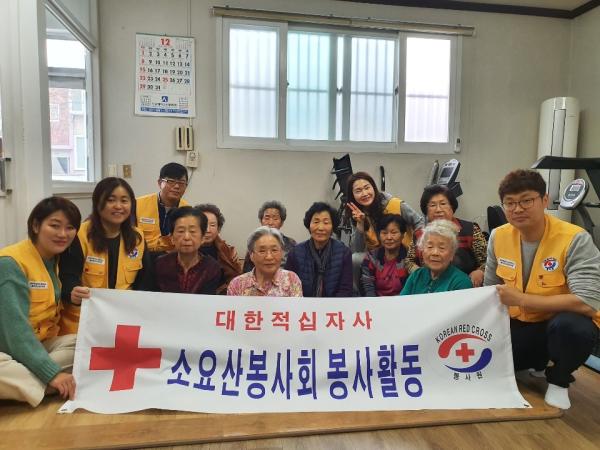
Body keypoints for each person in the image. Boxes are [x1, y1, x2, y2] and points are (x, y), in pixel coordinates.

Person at [484, 169, 600, 410]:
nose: (517, 209)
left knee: (573, 328)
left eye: (526, 200)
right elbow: (489, 290)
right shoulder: (498, 236)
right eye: (510, 203)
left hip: (557, 324)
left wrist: (522, 299)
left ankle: (559, 379)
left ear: (544, 200)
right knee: (489, 359)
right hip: (520, 324)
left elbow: (587, 302)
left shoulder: (575, 238)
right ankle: (536, 362)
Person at [0, 197, 81, 406]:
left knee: (82, 344)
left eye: (70, 228)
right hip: (6, 349)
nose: (63, 234)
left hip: (37, 345)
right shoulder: (10, 263)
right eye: (55, 226)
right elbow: (15, 332)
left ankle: (28, 385)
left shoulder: (53, 260)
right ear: (36, 226)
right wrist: (52, 373)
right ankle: (51, 383)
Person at [59, 177, 153, 334]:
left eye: (124, 201)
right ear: (97, 203)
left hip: (124, 318)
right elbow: (67, 276)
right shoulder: (79, 235)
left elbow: (145, 281)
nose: (118, 206)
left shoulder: (138, 237)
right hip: (83, 322)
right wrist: (72, 293)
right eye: (111, 200)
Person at [405, 184, 487, 287]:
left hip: (465, 286)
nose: (438, 209)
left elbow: (488, 260)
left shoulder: (470, 230)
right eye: (432, 205)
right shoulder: (420, 234)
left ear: (452, 206)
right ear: (426, 210)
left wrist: (480, 271)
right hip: (430, 287)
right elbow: (409, 261)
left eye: (443, 204)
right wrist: (419, 274)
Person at [285, 202, 353, 297]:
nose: (320, 228)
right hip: (303, 304)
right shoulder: (295, 253)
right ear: (309, 225)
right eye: (316, 222)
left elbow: (345, 290)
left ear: (333, 226)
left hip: (335, 305)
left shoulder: (344, 253)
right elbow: (289, 287)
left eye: (326, 222)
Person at [346, 171, 424, 253]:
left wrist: (418, 245)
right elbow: (357, 250)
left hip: (405, 253)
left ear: (373, 187)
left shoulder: (394, 203)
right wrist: (360, 224)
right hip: (378, 257)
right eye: (358, 191)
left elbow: (419, 222)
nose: (364, 193)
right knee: (356, 258)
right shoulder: (356, 214)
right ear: (352, 195)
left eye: (367, 188)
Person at [155, 206, 222, 295]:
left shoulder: (212, 268)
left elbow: (206, 300)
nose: (186, 237)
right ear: (172, 238)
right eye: (181, 231)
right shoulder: (160, 264)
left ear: (202, 238)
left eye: (192, 231)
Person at [400, 220, 473, 295]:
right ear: (422, 251)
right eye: (430, 246)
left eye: (442, 248)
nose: (435, 253)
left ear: (452, 254)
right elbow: (402, 301)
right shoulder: (416, 275)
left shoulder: (461, 282)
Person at [228, 227, 302, 297]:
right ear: (251, 255)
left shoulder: (291, 279)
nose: (269, 257)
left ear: (282, 253)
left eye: (274, 250)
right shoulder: (237, 284)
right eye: (262, 251)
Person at [135, 162, 189, 254]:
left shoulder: (187, 211)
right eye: (171, 181)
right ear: (160, 183)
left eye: (181, 183)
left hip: (172, 257)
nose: (176, 186)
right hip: (141, 256)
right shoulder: (137, 204)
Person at [196, 203, 242, 294]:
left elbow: (236, 279)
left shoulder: (227, 251)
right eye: (203, 224)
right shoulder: (184, 250)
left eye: (212, 225)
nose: (208, 230)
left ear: (219, 229)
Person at [360, 214, 409, 297]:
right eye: (384, 233)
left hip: (403, 301)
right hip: (376, 302)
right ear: (379, 235)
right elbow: (368, 287)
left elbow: (412, 288)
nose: (389, 237)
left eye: (394, 233)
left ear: (403, 235)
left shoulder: (410, 258)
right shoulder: (371, 257)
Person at [242, 200, 297, 272]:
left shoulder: (291, 244)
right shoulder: (254, 243)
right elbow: (247, 272)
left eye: (275, 218)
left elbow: (295, 269)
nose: (270, 223)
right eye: (267, 218)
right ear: (261, 221)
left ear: (282, 223)